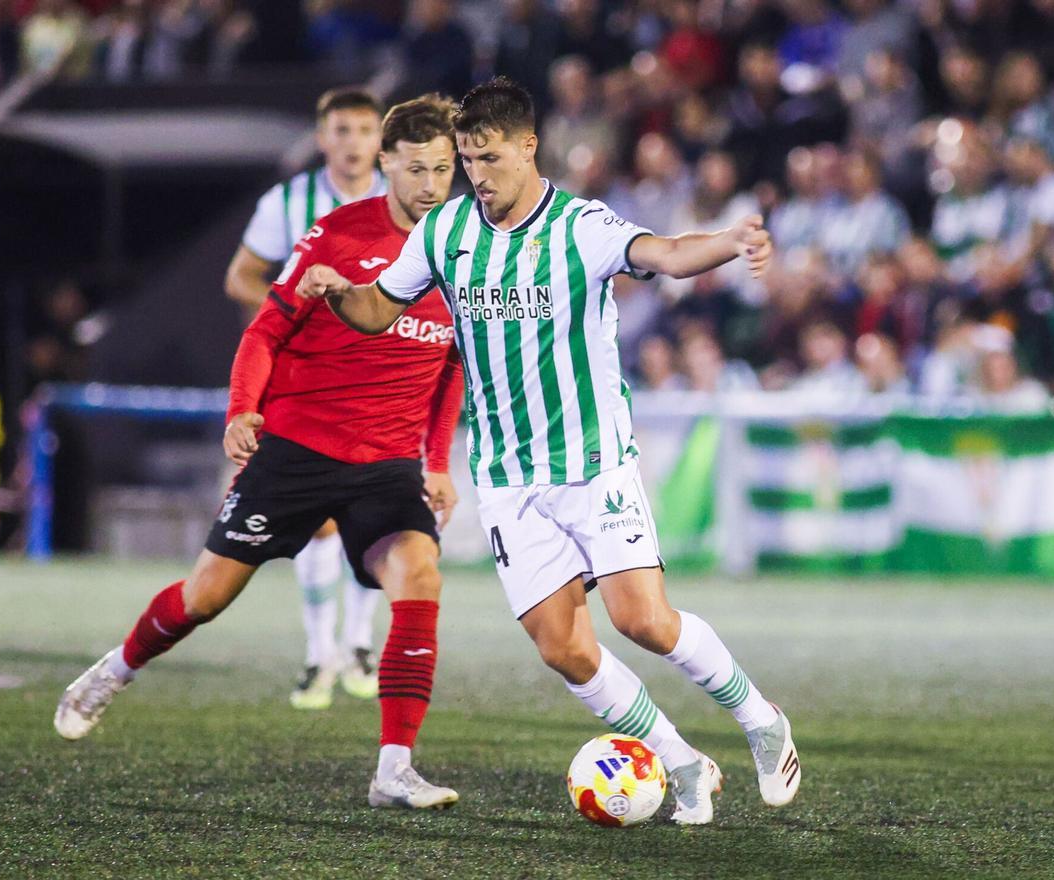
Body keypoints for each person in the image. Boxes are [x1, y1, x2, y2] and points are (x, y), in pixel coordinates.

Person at [297, 77, 800, 826]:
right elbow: (379, 308)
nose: (478, 176)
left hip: (595, 463)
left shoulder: (579, 226)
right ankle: (683, 762)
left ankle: (763, 722)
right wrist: (339, 290)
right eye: (467, 159)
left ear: (530, 147)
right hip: (507, 478)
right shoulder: (444, 234)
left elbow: (662, 252)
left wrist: (728, 241)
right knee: (563, 648)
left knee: (644, 622)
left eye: (490, 157)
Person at [55, 95, 465, 810]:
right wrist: (243, 407)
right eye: (417, 168)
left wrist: (436, 462)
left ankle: (393, 768)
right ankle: (114, 670)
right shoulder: (334, 234)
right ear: (387, 165)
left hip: (388, 465)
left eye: (444, 169)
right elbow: (263, 333)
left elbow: (451, 366)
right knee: (204, 597)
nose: (431, 185)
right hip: (298, 449)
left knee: (420, 578)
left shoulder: (467, 250)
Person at [223, 87, 388, 711]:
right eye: (340, 130)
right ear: (323, 138)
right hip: (307, 382)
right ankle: (321, 653)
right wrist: (288, 312)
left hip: (379, 378)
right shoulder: (288, 201)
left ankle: (358, 641)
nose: (352, 143)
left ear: (382, 140)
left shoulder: (400, 199)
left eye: (364, 130)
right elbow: (239, 275)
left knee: (374, 510)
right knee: (319, 522)